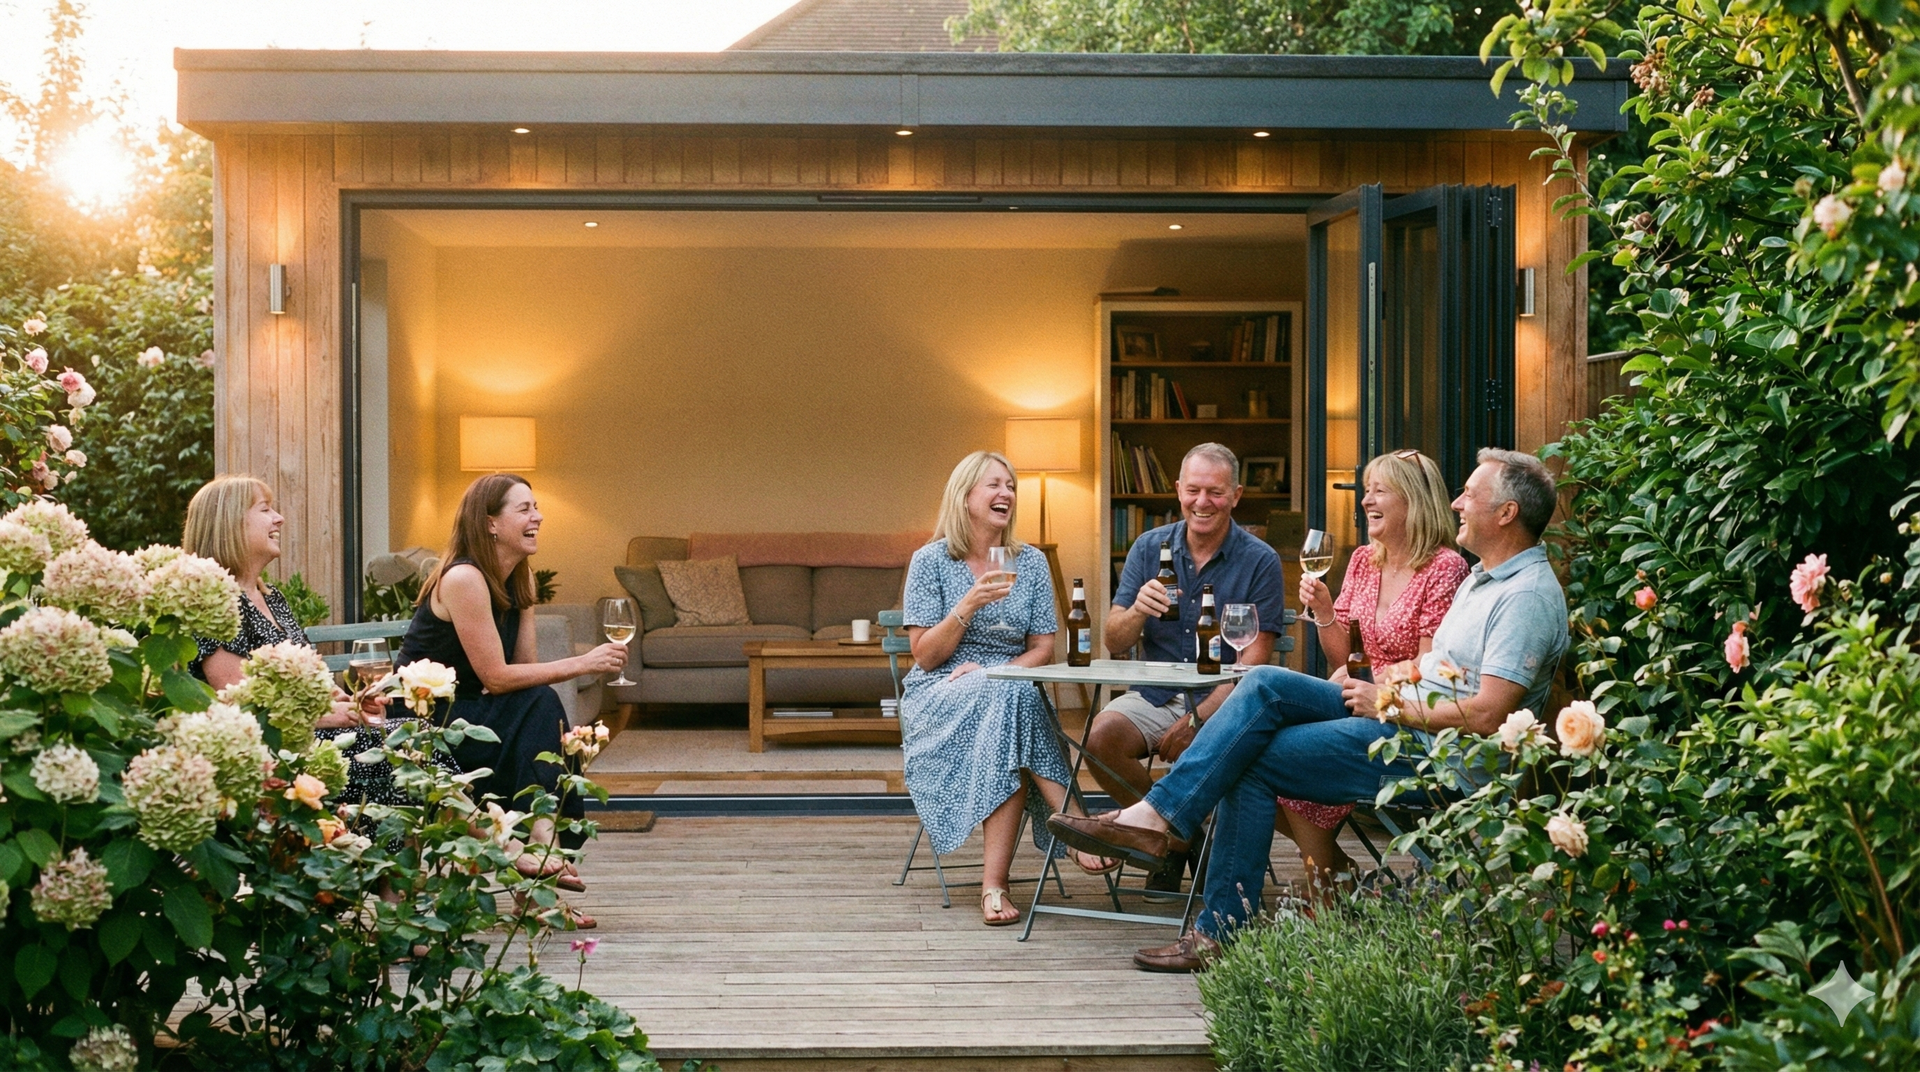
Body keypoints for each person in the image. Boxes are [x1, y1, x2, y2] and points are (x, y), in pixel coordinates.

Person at [1048, 448, 1569, 972]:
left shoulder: (1524, 596)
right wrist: (1377, 677)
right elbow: (1431, 666)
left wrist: (1385, 700)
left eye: (1470, 495)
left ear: (1505, 513)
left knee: (1244, 753)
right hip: (1396, 713)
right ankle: (1162, 830)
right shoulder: (1483, 580)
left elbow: (1488, 715)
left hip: (1435, 751)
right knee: (1262, 683)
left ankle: (1200, 898)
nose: (1457, 502)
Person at [397, 473, 628, 925]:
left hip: (474, 714)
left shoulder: (518, 580)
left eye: (536, 507)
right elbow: (498, 677)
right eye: (524, 509)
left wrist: (529, 663)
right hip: (422, 725)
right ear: (490, 524)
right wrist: (586, 662)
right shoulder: (464, 577)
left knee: (539, 704)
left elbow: (521, 674)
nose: (537, 517)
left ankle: (540, 865)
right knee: (539, 708)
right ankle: (543, 870)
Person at [1083, 443, 1286, 896]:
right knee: (1101, 738)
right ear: (1177, 490)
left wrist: (1199, 719)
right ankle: (1178, 838)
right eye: (1193, 490)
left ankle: (1162, 838)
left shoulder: (1259, 559)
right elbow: (1114, 641)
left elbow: (1253, 664)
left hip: (1226, 698)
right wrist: (1137, 609)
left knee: (1221, 742)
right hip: (1157, 691)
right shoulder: (1149, 546)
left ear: (1236, 494)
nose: (1202, 502)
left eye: (1214, 492)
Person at [184, 475, 439, 813]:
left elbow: (314, 683)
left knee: (412, 735)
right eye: (266, 510)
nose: (279, 518)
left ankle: (460, 845)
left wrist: (352, 703)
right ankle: (485, 842)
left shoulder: (272, 599)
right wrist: (330, 715)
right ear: (229, 523)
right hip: (268, 750)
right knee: (407, 740)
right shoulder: (210, 601)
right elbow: (236, 697)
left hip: (310, 738)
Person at [900, 451, 1078, 927]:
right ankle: (1074, 817)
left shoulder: (1032, 562)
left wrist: (994, 673)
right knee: (1014, 696)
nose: (1006, 494)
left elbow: (1044, 647)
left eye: (1010, 486)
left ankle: (994, 886)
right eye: (993, 485)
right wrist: (967, 606)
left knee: (1012, 692)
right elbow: (924, 657)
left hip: (1005, 686)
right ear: (965, 497)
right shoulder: (931, 561)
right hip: (941, 689)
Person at [1282, 449, 1467, 902]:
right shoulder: (1366, 559)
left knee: (1273, 741)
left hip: (1401, 717)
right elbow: (1341, 654)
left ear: (1415, 500)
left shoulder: (1445, 567)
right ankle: (1332, 872)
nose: (1366, 501)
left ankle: (1326, 881)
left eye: (1379, 490)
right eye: (1366, 491)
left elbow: (1429, 668)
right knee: (1262, 735)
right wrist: (1325, 611)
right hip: (1352, 696)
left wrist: (1371, 684)